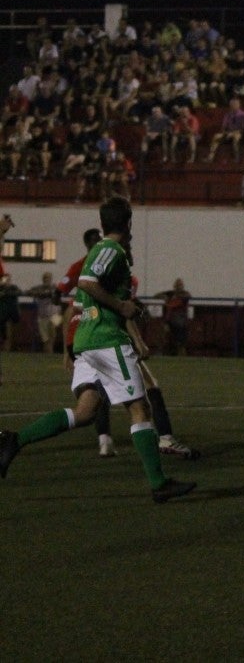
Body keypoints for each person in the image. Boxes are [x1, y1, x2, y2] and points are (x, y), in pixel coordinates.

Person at [0, 198, 196, 502]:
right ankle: (159, 484)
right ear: (128, 223)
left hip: (88, 342)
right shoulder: (110, 250)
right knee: (139, 408)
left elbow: (87, 292)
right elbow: (88, 283)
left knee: (85, 411)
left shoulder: (104, 252)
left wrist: (125, 310)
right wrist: (121, 306)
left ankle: (15, 440)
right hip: (106, 340)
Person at [206, 96, 244, 162]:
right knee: (216, 136)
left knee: (236, 137)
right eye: (232, 104)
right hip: (228, 133)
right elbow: (224, 127)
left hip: (239, 133)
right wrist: (225, 133)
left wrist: (233, 133)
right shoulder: (227, 115)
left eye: (235, 104)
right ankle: (210, 157)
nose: (233, 106)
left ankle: (237, 157)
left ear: (239, 105)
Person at [155, 278, 191, 356]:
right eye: (177, 285)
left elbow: (176, 303)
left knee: (180, 339)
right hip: (169, 321)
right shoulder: (171, 294)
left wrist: (168, 301)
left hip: (180, 321)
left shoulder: (185, 295)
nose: (179, 287)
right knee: (162, 332)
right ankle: (159, 351)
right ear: (174, 286)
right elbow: (156, 295)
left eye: (180, 285)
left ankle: (181, 353)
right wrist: (163, 296)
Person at [27, 272, 60, 354]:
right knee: (45, 338)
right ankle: (48, 354)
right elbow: (29, 292)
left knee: (53, 334)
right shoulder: (38, 288)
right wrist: (40, 293)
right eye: (45, 278)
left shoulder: (54, 287)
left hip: (55, 314)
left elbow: (57, 294)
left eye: (48, 278)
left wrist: (47, 294)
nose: (47, 279)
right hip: (42, 315)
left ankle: (50, 352)